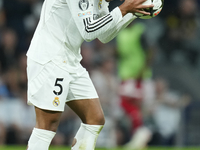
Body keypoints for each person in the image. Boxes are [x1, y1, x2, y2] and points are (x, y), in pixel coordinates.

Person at [26, 0, 154, 149]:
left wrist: (130, 12)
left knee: (95, 119)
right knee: (47, 124)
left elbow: (104, 35)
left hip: (70, 60)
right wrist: (123, 8)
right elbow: (88, 30)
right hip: (50, 58)